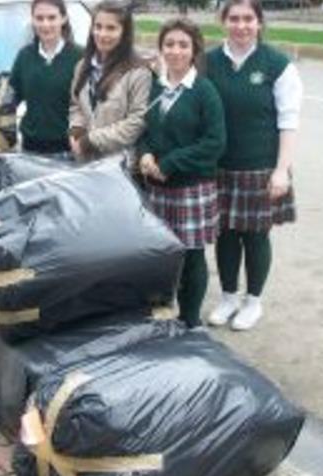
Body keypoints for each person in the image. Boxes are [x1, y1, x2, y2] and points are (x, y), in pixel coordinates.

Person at [205, 0, 302, 330]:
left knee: (256, 237)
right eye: (234, 18)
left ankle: (253, 302)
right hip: (219, 167)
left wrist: (281, 170)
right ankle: (229, 297)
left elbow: (289, 122)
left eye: (248, 19)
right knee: (226, 236)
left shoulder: (277, 65)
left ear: (259, 23)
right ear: (224, 22)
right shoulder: (208, 62)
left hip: (261, 167)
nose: (241, 25)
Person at [138, 19, 225, 328]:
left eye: (183, 45)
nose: (175, 51)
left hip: (191, 186)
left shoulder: (204, 91)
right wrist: (146, 154)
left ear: (194, 50)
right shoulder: (156, 86)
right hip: (157, 188)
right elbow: (144, 129)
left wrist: (170, 164)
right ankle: (163, 310)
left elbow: (214, 142)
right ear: (161, 49)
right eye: (169, 44)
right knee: (162, 253)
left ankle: (190, 320)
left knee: (191, 255)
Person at [68, 0, 150, 161]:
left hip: (118, 165)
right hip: (85, 162)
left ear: (124, 32)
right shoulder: (81, 67)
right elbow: (76, 104)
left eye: (111, 28)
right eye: (98, 27)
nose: (102, 34)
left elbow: (137, 122)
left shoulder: (138, 72)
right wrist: (76, 130)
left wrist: (91, 140)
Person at [10, 0, 82, 155]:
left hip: (68, 151)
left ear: (63, 18)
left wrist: (78, 138)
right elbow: (11, 98)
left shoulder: (80, 57)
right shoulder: (24, 56)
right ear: (32, 20)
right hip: (30, 150)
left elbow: (86, 107)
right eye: (39, 18)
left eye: (51, 17)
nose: (45, 24)